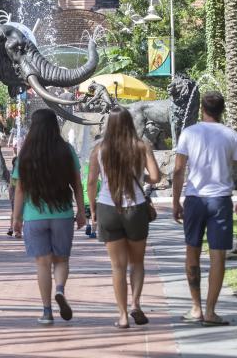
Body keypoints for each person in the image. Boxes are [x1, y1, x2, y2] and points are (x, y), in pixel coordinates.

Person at [172, 92, 237, 326]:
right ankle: (211, 311)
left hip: (195, 199)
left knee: (191, 252)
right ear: (222, 109)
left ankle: (196, 308)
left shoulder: (189, 133)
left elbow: (178, 171)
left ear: (201, 109)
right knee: (218, 257)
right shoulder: (231, 136)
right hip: (220, 201)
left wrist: (176, 201)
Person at [88, 107, 161, 329]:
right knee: (137, 262)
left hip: (108, 209)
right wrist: (141, 174)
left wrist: (92, 211)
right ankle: (136, 304)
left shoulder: (99, 149)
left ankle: (121, 315)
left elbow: (91, 182)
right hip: (136, 209)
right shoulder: (141, 146)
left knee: (117, 266)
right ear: (130, 124)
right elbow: (156, 177)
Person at [12, 108, 86, 325]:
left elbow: (19, 189)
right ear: (55, 126)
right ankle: (60, 289)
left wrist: (16, 218)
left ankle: (46, 312)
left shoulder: (25, 154)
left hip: (34, 216)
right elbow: (77, 184)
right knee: (61, 259)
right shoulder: (66, 150)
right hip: (62, 214)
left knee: (42, 264)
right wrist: (81, 211)